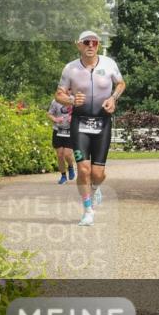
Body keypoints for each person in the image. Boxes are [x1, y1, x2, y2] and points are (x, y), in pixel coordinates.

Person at [55, 30, 125, 225]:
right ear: (79, 45)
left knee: (97, 174)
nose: (91, 45)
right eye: (86, 42)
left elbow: (121, 84)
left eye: (94, 42)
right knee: (83, 170)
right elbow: (58, 95)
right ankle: (87, 210)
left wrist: (113, 98)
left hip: (103, 122)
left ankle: (95, 188)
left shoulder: (109, 64)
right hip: (80, 123)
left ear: (98, 45)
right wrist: (71, 100)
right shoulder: (70, 68)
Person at [46, 99, 76, 184]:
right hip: (58, 130)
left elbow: (81, 114)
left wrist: (74, 118)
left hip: (70, 130)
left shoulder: (74, 99)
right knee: (60, 155)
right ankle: (63, 176)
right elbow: (49, 114)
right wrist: (55, 119)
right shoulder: (55, 101)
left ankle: (70, 166)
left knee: (67, 154)